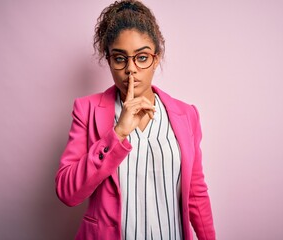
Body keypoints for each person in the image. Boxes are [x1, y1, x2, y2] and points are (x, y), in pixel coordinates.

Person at [55, 1, 216, 239]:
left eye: (141, 57)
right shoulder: (86, 110)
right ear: (108, 60)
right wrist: (117, 134)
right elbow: (67, 192)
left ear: (156, 58)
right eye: (120, 58)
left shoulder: (186, 115)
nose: (131, 69)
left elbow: (196, 193)